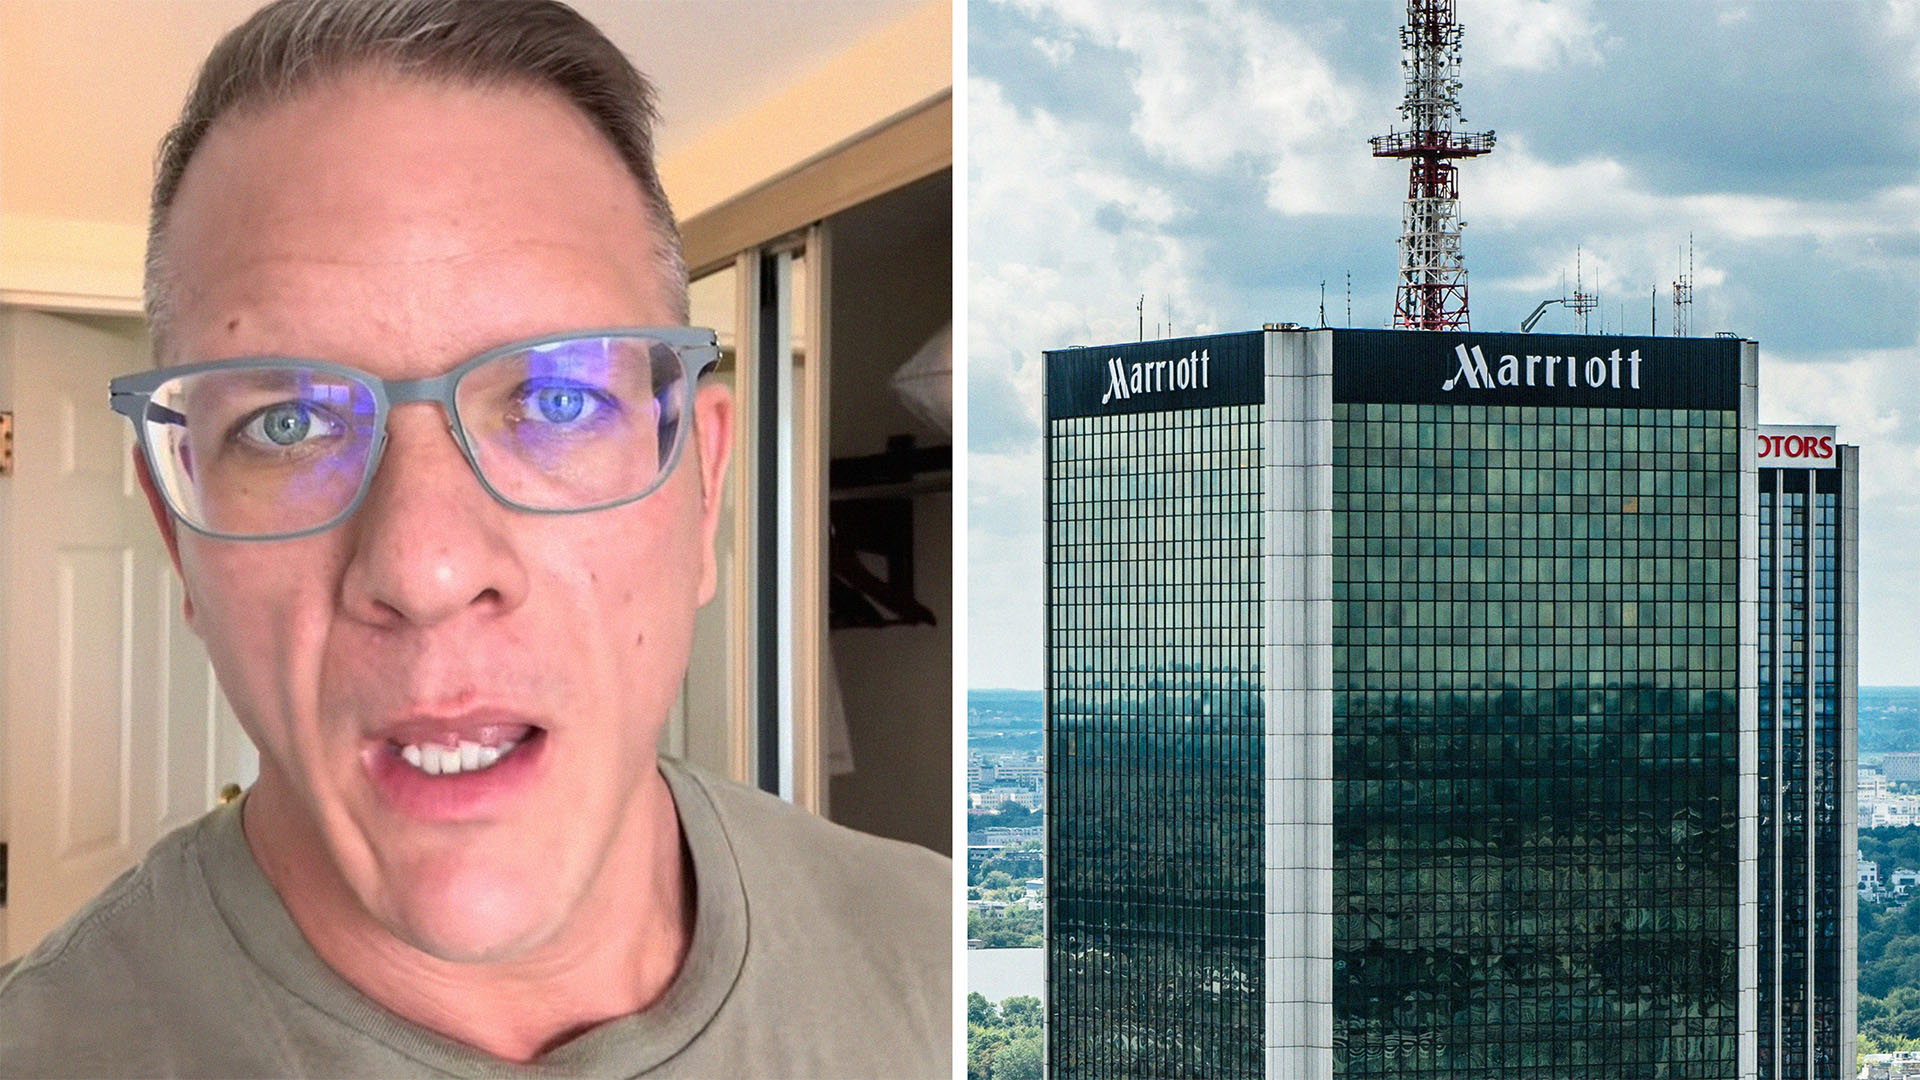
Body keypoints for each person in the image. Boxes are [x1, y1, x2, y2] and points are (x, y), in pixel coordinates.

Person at [0, 1, 949, 1076]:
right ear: (178, 539)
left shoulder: (976, 979)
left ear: (702, 491)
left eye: (555, 398)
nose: (426, 567)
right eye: (286, 424)